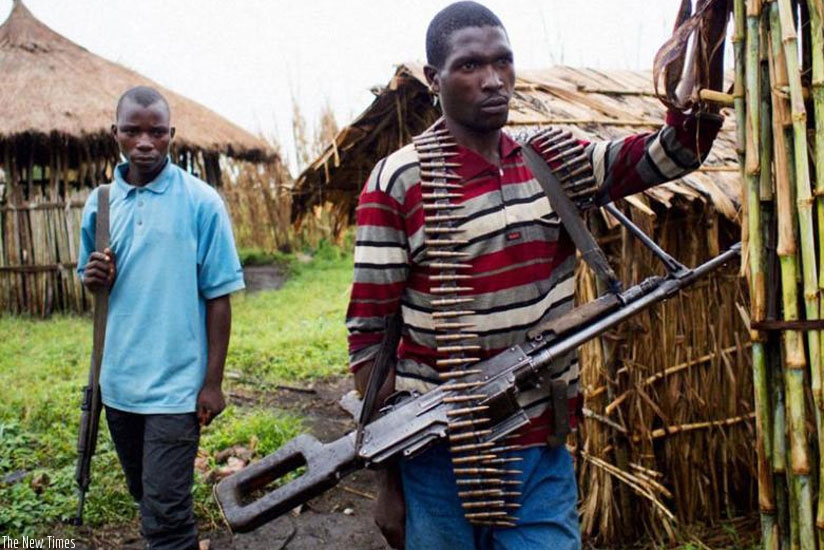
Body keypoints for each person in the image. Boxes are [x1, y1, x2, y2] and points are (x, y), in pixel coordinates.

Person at [346, 2, 723, 549]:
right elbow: (370, 338)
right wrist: (389, 482)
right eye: (470, 66)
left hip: (538, 445)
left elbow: (677, 152)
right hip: (439, 456)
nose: (494, 80)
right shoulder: (399, 180)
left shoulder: (551, 157)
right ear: (434, 79)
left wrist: (712, 29)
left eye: (504, 62)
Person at [77, 86, 245, 550]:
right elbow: (93, 285)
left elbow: (218, 297)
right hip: (119, 384)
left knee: (168, 516)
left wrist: (212, 382)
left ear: (172, 135)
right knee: (146, 495)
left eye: (156, 132)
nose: (144, 142)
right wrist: (93, 278)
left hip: (176, 388)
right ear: (115, 134)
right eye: (132, 131)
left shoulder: (201, 202)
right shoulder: (102, 204)